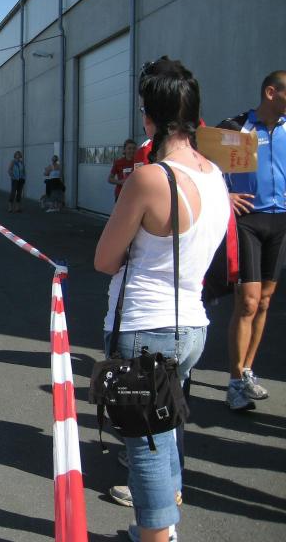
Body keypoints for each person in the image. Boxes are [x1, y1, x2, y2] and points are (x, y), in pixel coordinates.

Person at [94, 58, 228, 542]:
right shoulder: (214, 174)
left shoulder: (151, 178)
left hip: (146, 327)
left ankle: (155, 536)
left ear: (150, 118)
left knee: (146, 446)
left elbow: (105, 259)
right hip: (190, 325)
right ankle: (163, 529)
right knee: (164, 429)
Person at [221, 70, 286, 411]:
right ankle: (234, 384)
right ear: (271, 93)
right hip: (248, 222)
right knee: (247, 302)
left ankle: (246, 370)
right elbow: (203, 167)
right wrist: (225, 194)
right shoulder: (236, 128)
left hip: (281, 222)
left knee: (264, 301)